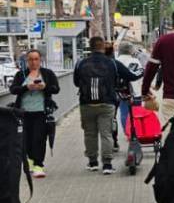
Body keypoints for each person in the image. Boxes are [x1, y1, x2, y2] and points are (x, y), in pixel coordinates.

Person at [73, 36, 141, 173]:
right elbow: (132, 76)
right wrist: (143, 71)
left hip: (86, 104)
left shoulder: (81, 63)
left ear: (90, 47)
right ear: (103, 46)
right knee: (106, 134)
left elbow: (76, 83)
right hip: (107, 102)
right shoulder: (113, 63)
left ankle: (92, 162)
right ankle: (107, 165)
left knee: (89, 133)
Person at [9, 50, 59, 178]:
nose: (33, 62)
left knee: (39, 138)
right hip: (23, 113)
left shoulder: (47, 73)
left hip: (41, 112)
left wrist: (44, 87)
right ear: (27, 61)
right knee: (26, 139)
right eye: (30, 59)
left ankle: (38, 165)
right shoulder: (21, 74)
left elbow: (56, 89)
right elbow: (13, 89)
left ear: (40, 60)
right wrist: (27, 87)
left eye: (36, 59)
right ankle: (30, 160)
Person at [115, 41, 144, 136]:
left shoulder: (116, 61)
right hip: (136, 92)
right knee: (137, 113)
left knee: (124, 113)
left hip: (121, 92)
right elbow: (140, 77)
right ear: (130, 50)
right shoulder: (135, 61)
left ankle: (127, 133)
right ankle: (136, 132)